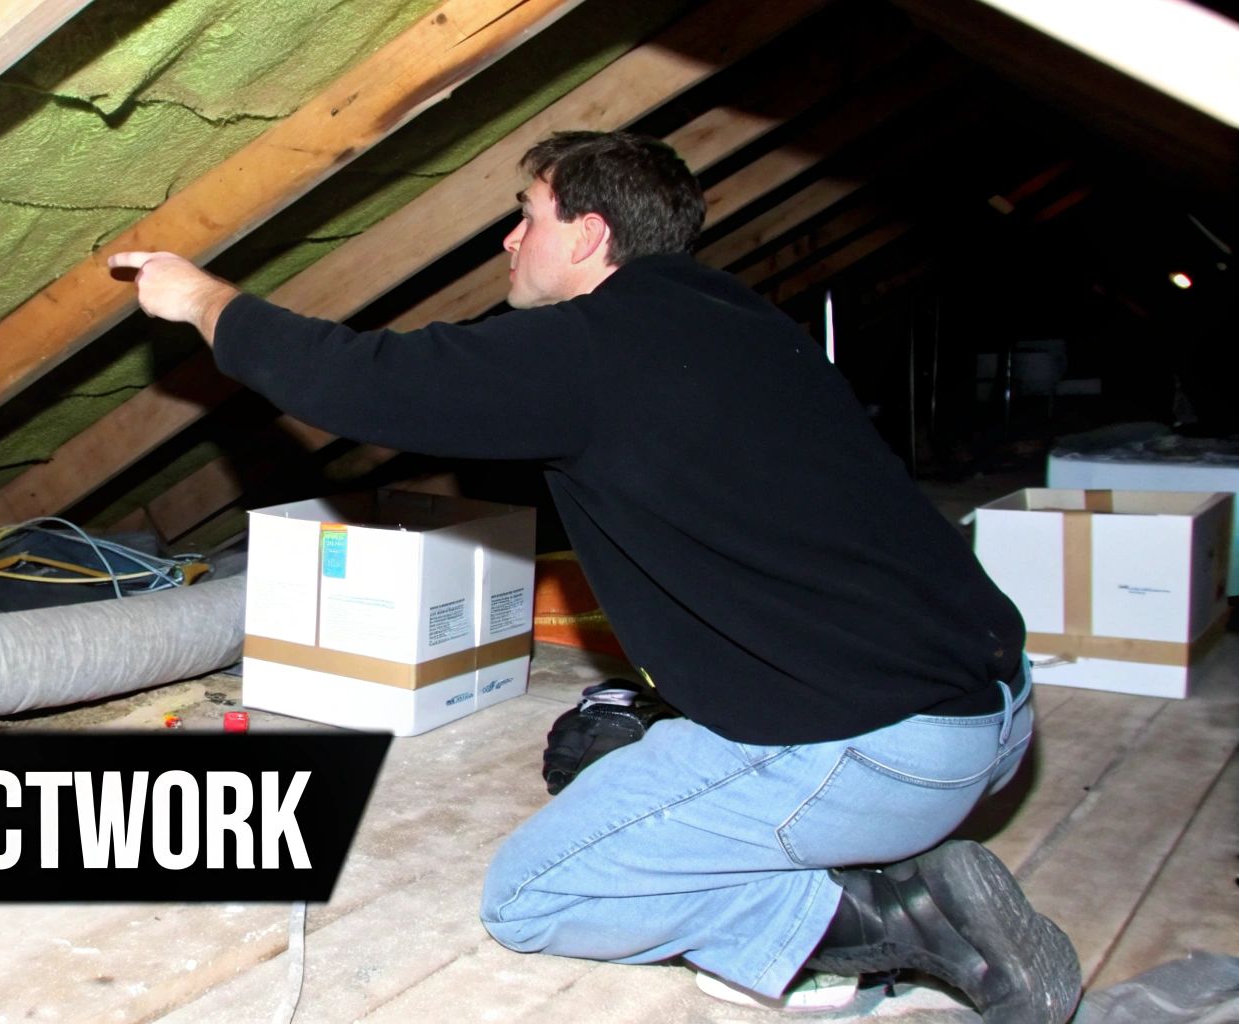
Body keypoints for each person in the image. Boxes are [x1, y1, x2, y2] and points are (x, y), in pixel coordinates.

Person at [109, 131, 1081, 1023]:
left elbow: (354, 379)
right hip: (990, 709)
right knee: (601, 752)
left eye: (526, 215)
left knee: (536, 897)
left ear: (587, 234)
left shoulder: (587, 349)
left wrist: (198, 298)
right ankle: (865, 876)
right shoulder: (731, 312)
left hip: (881, 748)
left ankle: (882, 913)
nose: (506, 240)